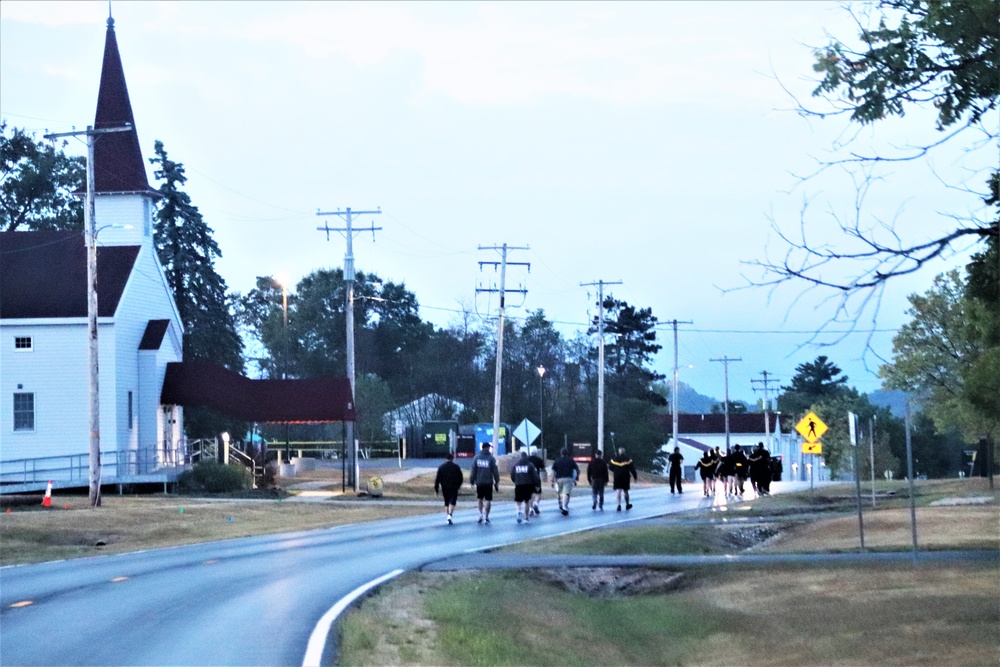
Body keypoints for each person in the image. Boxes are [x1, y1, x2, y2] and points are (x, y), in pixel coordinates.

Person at [469, 442, 500, 524]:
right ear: (487, 448)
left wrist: (472, 480)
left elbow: (473, 470)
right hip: (488, 482)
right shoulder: (491, 458)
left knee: (480, 498)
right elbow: (495, 471)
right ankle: (486, 517)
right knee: (488, 500)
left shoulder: (477, 458)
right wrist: (497, 482)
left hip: (479, 482)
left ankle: (480, 515)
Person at [510, 451, 541, 523]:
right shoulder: (530, 465)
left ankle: (519, 512)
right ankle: (526, 518)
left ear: (521, 456)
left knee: (518, 501)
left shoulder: (516, 465)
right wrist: (537, 484)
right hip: (528, 485)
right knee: (527, 501)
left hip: (518, 485)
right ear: (526, 457)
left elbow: (512, 475)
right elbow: (535, 476)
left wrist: (516, 481)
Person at [434, 453, 464, 524]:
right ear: (452, 459)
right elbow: (461, 477)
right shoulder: (456, 467)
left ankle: (448, 516)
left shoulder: (441, 467)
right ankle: (450, 515)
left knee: (446, 501)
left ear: (445, 459)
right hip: (454, 486)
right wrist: (459, 485)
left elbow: (437, 479)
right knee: (452, 501)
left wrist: (436, 488)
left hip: (444, 486)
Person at [551, 448, 580, 515]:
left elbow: (553, 471)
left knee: (559, 492)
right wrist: (576, 477)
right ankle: (564, 506)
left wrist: (552, 480)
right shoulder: (571, 460)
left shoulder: (557, 461)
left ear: (561, 453)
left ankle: (560, 503)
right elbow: (577, 469)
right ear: (567, 453)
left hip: (559, 479)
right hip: (568, 479)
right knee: (566, 493)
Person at [528, 450, 547, 515]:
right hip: (536, 479)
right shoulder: (539, 460)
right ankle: (536, 504)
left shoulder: (527, 459)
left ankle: (530, 509)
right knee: (538, 493)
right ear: (536, 454)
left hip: (529, 480)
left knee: (530, 495)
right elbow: (543, 468)